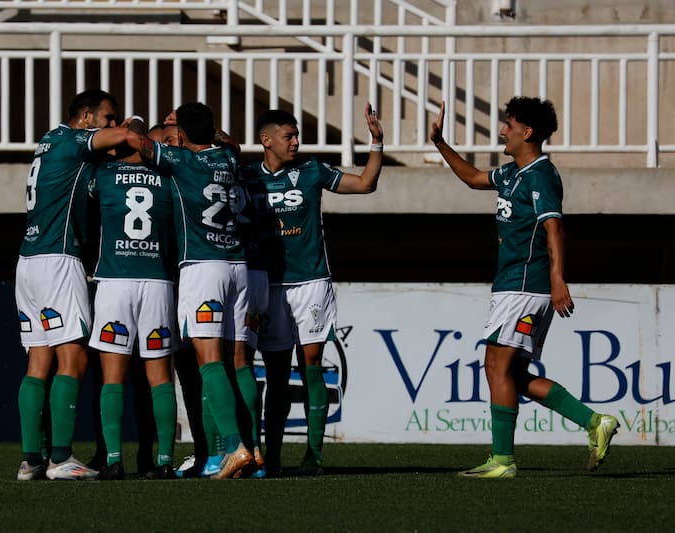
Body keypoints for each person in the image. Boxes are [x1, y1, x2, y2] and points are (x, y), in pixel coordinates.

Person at [429, 96, 620, 478]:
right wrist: (440, 143)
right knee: (513, 375)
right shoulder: (513, 173)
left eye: (508, 124)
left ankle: (503, 461)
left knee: (495, 366)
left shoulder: (540, 176)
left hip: (524, 285)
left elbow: (554, 226)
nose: (502, 130)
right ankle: (594, 421)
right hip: (512, 284)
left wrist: (557, 279)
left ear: (526, 132)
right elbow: (472, 178)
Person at [242, 104, 383, 476]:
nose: (296, 142)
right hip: (268, 286)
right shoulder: (245, 178)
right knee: (273, 375)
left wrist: (377, 144)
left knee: (311, 367)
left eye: (296, 135)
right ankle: (269, 457)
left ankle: (314, 456)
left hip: (311, 283)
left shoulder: (311, 170)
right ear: (266, 140)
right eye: (288, 136)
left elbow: (365, 184)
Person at [15, 89, 138, 481]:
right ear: (86, 117)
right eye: (107, 117)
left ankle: (30, 459)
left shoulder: (49, 142)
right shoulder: (72, 139)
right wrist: (131, 124)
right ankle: (60, 458)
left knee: (38, 361)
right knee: (75, 359)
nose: (111, 124)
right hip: (58, 257)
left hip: (28, 259)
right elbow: (124, 139)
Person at [127, 102, 254, 479]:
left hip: (203, 267)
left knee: (209, 360)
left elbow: (137, 140)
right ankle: (254, 449)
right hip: (238, 266)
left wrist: (134, 120)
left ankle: (233, 447)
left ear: (180, 134)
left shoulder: (182, 162)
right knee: (238, 361)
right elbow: (231, 145)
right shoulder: (230, 159)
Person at [87, 133, 180, 481]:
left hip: (115, 281)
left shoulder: (104, 174)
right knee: (160, 379)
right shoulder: (169, 177)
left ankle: (113, 460)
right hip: (157, 282)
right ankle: (166, 460)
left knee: (113, 377)